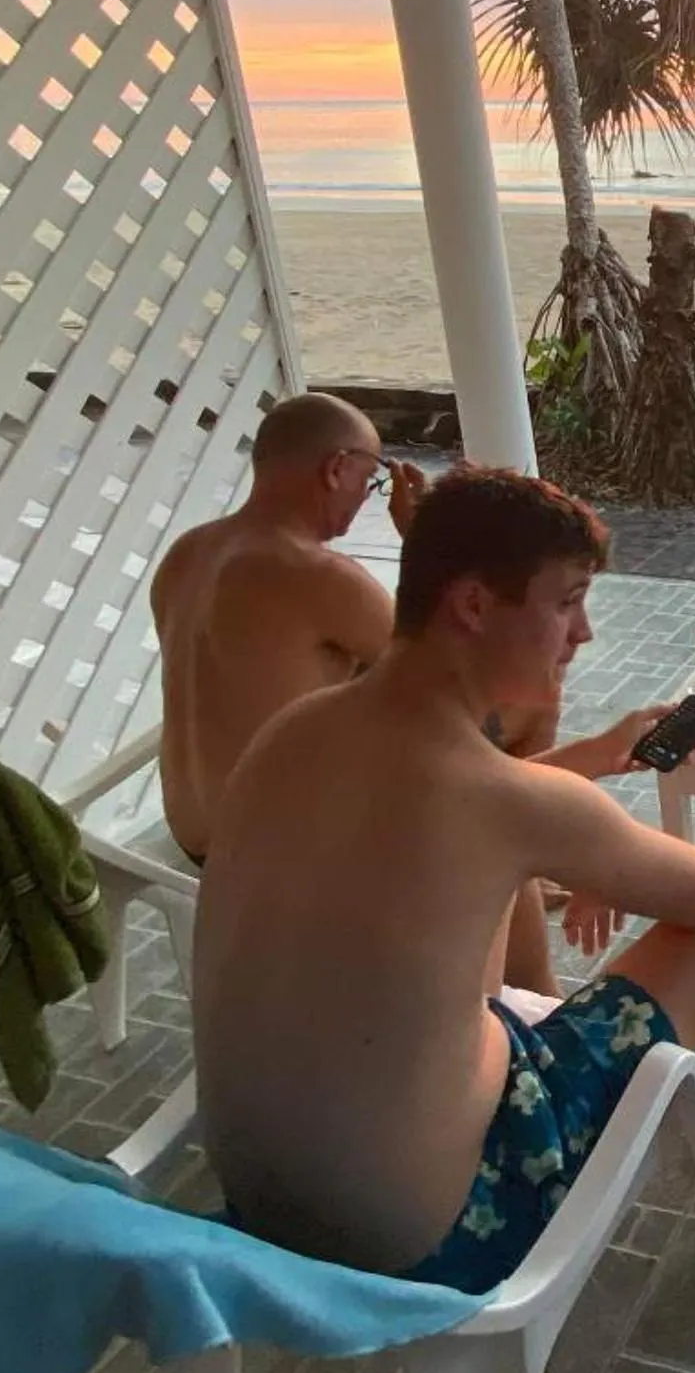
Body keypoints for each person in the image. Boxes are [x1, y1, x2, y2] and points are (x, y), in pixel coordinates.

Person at [195, 467, 695, 1293]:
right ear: (472, 604)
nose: (584, 634)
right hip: (421, 1234)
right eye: (567, 600)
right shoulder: (506, 801)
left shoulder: (293, 731)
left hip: (261, 1200)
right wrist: (589, 839)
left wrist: (576, 799)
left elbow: (459, 817)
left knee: (512, 909)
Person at [151, 391, 663, 990]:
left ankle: (532, 865)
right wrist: (420, 540)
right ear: (337, 467)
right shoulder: (316, 574)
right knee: (521, 718)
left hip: (191, 835)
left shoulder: (187, 553)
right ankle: (534, 978)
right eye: (370, 480)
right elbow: (450, 663)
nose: (367, 496)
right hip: (279, 851)